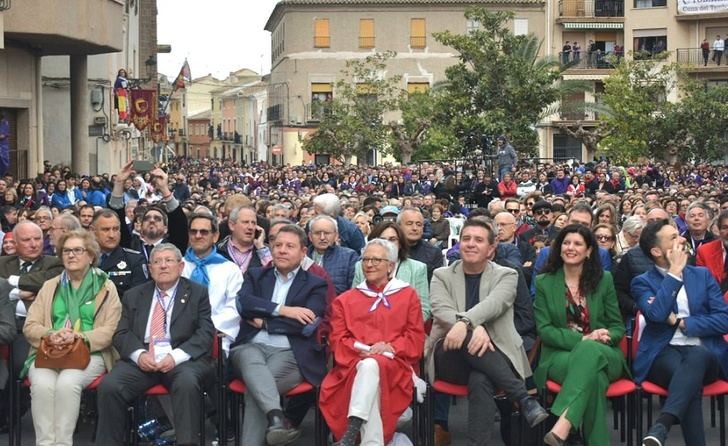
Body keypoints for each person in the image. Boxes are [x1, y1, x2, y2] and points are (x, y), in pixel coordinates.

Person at [429, 219, 548, 445]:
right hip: (450, 353)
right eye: (466, 239)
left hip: (494, 355)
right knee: (469, 341)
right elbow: (442, 311)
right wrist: (473, 328)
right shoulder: (441, 275)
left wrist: (465, 324)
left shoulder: (507, 275)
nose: (471, 244)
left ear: (491, 249)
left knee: (480, 378)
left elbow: (495, 303)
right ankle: (523, 398)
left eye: (479, 240)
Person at [96, 244, 215, 446]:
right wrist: (139, 355)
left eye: (168, 261)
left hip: (181, 359)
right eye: (157, 262)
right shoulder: (134, 295)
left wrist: (175, 357)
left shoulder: (197, 293)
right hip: (143, 359)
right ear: (150, 269)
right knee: (110, 386)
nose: (163, 266)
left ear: (180, 266)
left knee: (186, 383)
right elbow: (122, 332)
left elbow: (205, 333)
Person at [320, 239, 426, 446]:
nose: (369, 264)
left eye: (376, 260)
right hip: (352, 365)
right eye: (366, 259)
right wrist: (359, 351)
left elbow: (415, 336)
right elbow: (338, 339)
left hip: (396, 365)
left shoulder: (407, 296)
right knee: (369, 366)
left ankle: (352, 430)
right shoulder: (346, 300)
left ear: (391, 266)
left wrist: (391, 347)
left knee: (372, 365)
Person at [632, 219, 728, 446]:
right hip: (662, 352)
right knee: (688, 382)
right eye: (673, 238)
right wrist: (674, 273)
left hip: (705, 352)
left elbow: (724, 320)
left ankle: (662, 424)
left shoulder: (702, 276)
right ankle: (665, 428)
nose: (682, 239)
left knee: (697, 355)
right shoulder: (642, 282)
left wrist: (684, 323)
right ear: (656, 251)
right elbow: (656, 315)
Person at [231, 223, 328, 445]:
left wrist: (265, 323)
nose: (282, 250)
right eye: (277, 245)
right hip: (249, 346)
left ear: (304, 252)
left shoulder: (316, 284)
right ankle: (277, 420)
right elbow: (243, 303)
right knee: (249, 358)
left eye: (289, 246)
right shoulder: (256, 275)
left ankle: (276, 419)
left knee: (257, 389)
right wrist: (284, 310)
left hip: (290, 354)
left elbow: (306, 325)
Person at [22, 229, 121, 446]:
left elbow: (110, 330)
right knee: (42, 384)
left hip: (89, 351)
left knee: (68, 382)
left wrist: (79, 337)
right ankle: (45, 443)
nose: (71, 255)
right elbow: (30, 326)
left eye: (78, 250)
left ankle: (63, 443)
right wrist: (51, 334)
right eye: (66, 251)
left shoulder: (106, 287)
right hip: (50, 349)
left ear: (91, 256)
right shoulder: (50, 286)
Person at [534, 224, 629, 446]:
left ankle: (564, 420)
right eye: (566, 243)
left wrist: (605, 336)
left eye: (577, 244)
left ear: (588, 251)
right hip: (560, 356)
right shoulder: (544, 282)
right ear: (559, 249)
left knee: (591, 352)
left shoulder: (603, 279)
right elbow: (544, 330)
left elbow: (617, 326)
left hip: (606, 354)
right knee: (594, 377)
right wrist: (585, 339)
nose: (570, 248)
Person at [183, 212, 242, 353]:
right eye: (193, 231)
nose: (198, 236)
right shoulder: (178, 266)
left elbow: (234, 307)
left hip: (216, 338)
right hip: (179, 337)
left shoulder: (230, 269)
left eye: (204, 232)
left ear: (215, 236)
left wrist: (205, 329)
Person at [351, 222, 430, 320]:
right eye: (382, 240)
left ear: (400, 243)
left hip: (404, 330)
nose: (388, 244)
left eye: (392, 240)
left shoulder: (417, 268)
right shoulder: (360, 266)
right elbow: (353, 304)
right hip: (366, 328)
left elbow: (423, 311)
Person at [91, 209, 148, 297]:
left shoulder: (135, 260)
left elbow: (139, 299)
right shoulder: (83, 259)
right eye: (105, 230)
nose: (112, 235)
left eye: (116, 229)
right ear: (92, 231)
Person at [307, 215, 359, 296]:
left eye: (327, 233)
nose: (322, 237)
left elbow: (353, 291)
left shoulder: (349, 256)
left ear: (336, 236)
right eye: (317, 233)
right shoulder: (302, 257)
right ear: (310, 236)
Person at [218, 205, 273, 273]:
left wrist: (261, 248)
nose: (250, 227)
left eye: (253, 223)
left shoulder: (267, 251)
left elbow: (275, 275)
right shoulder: (218, 249)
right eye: (245, 222)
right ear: (232, 225)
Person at [398, 207, 443, 282]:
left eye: (419, 225)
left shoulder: (434, 252)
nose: (415, 228)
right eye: (409, 224)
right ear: (398, 226)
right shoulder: (390, 250)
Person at [696, 209, 728, 297]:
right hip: (713, 302)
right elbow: (701, 284)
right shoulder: (705, 251)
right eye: (725, 228)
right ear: (719, 230)